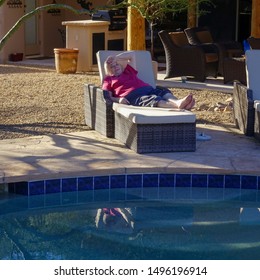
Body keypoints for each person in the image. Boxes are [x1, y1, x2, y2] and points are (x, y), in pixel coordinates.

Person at [102, 52, 195, 110]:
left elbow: (131, 55)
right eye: (112, 66)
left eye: (116, 64)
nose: (116, 67)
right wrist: (119, 99)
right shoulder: (108, 79)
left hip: (147, 88)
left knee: (162, 91)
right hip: (133, 96)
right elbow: (107, 96)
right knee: (153, 100)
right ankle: (177, 106)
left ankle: (178, 102)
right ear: (108, 70)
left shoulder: (127, 70)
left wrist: (115, 58)